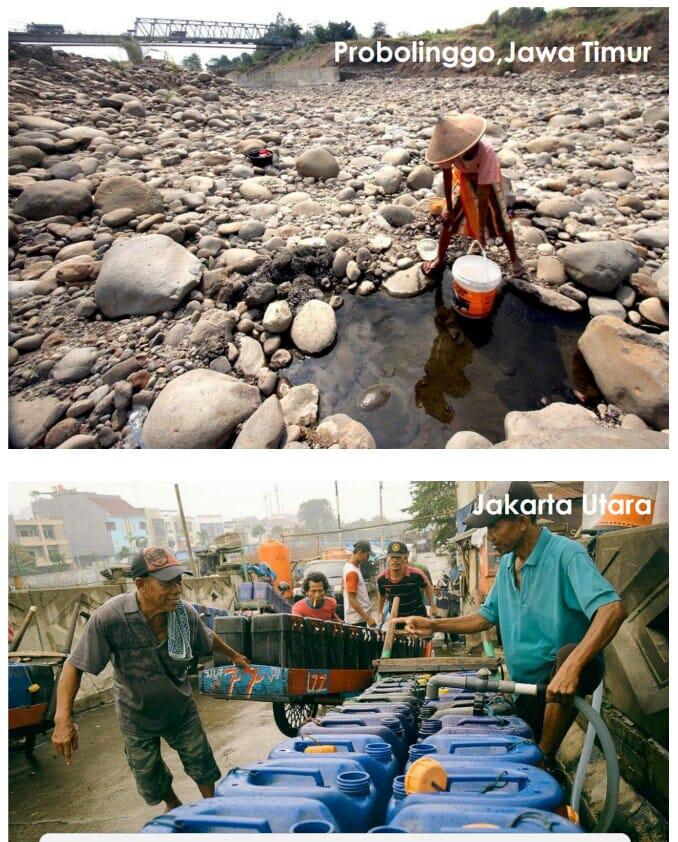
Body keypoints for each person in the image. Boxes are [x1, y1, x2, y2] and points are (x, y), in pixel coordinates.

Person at [399, 482, 626, 763]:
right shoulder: (507, 565)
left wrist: (573, 665)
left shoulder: (566, 554)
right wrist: (434, 625)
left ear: (521, 522)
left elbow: (612, 609)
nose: (490, 536)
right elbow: (484, 617)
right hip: (522, 687)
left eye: (495, 526)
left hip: (558, 679)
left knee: (536, 758)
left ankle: (544, 760)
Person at [51, 547, 250, 812]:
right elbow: (74, 665)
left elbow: (207, 636)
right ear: (140, 584)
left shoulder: (184, 614)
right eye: (167, 583)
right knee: (149, 777)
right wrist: (62, 719)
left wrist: (235, 656)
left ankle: (212, 807)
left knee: (201, 763)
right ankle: (173, 804)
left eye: (178, 581)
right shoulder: (110, 617)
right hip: (136, 716)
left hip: (179, 709)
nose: (177, 589)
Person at [422, 113, 528, 280]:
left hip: (488, 183)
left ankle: (514, 259)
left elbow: (484, 192)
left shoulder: (486, 151)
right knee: (447, 220)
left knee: (499, 219)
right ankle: (440, 258)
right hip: (463, 179)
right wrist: (448, 208)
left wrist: (480, 230)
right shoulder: (447, 149)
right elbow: (447, 176)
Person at [377, 541, 435, 621]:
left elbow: (427, 586)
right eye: (392, 557)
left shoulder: (416, 574)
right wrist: (380, 612)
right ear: (387, 558)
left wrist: (433, 605)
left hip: (418, 617)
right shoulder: (382, 579)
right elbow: (382, 595)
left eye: (398, 557)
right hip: (396, 619)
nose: (394, 560)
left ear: (405, 558)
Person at [342, 541, 375, 627]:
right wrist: (367, 618)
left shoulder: (348, 566)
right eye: (367, 555)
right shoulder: (352, 572)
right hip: (357, 620)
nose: (368, 558)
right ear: (360, 553)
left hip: (356, 616)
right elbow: (352, 599)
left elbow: (343, 589)